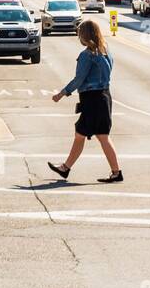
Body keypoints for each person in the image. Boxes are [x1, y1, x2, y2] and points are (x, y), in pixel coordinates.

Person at [48, 20, 122, 183]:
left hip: (92, 99)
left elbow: (79, 78)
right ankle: (66, 168)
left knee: (98, 136)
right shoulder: (105, 50)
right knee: (85, 134)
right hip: (104, 96)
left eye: (79, 33)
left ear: (85, 35)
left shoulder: (86, 55)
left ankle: (115, 172)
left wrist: (61, 93)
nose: (78, 36)